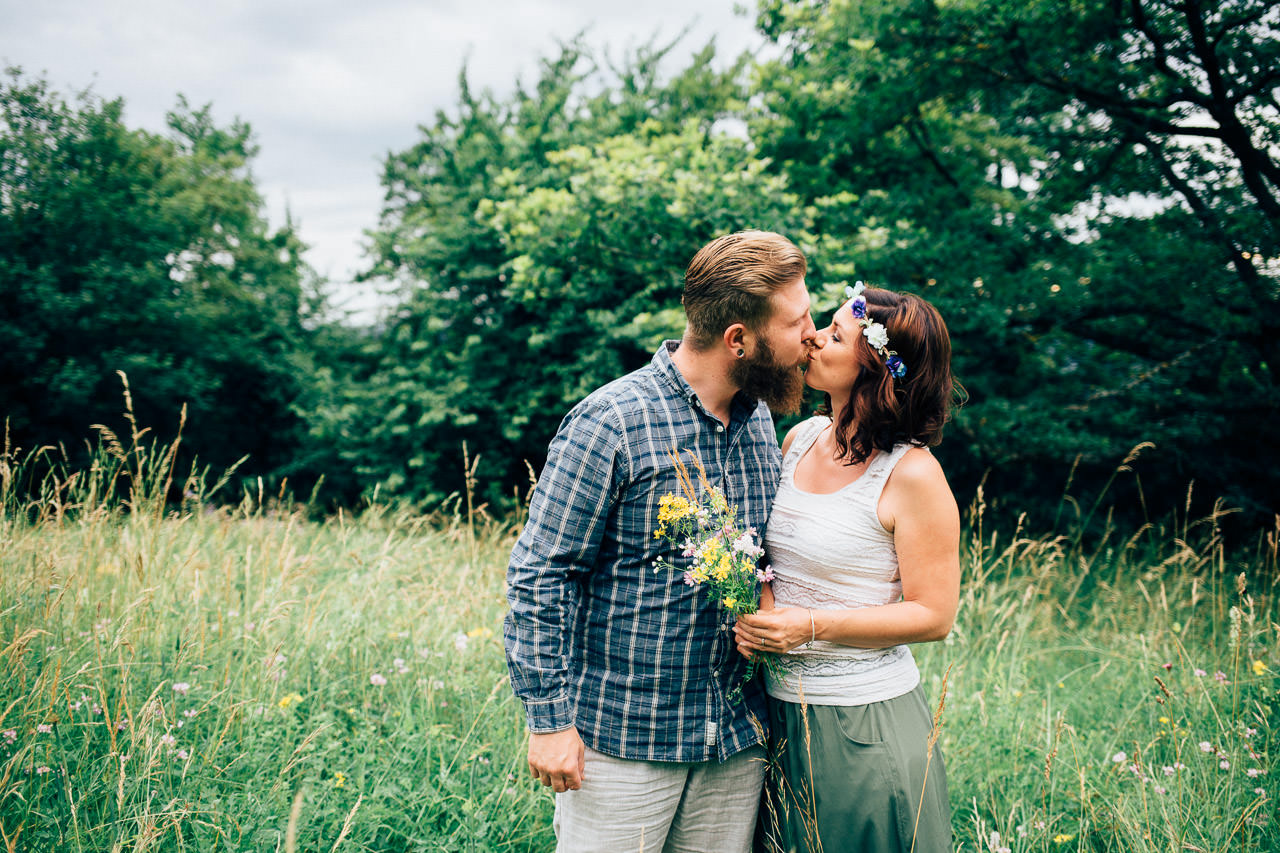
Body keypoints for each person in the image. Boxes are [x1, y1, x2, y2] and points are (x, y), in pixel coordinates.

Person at [503, 230, 818, 852]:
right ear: (739, 340)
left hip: (733, 741)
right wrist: (548, 722)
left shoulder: (758, 418)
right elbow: (541, 574)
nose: (811, 333)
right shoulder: (611, 421)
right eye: (797, 321)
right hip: (623, 744)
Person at [734, 283, 962, 852]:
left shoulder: (912, 475)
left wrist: (810, 627)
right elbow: (774, 558)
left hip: (863, 725)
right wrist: (764, 620)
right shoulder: (800, 438)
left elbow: (934, 616)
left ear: (876, 371)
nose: (811, 336)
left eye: (835, 334)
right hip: (777, 716)